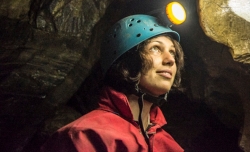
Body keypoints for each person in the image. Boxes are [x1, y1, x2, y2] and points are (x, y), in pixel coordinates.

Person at [41, 14, 185, 151]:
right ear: (127, 63)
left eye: (172, 52)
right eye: (156, 48)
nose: (170, 60)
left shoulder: (170, 146)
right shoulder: (84, 136)